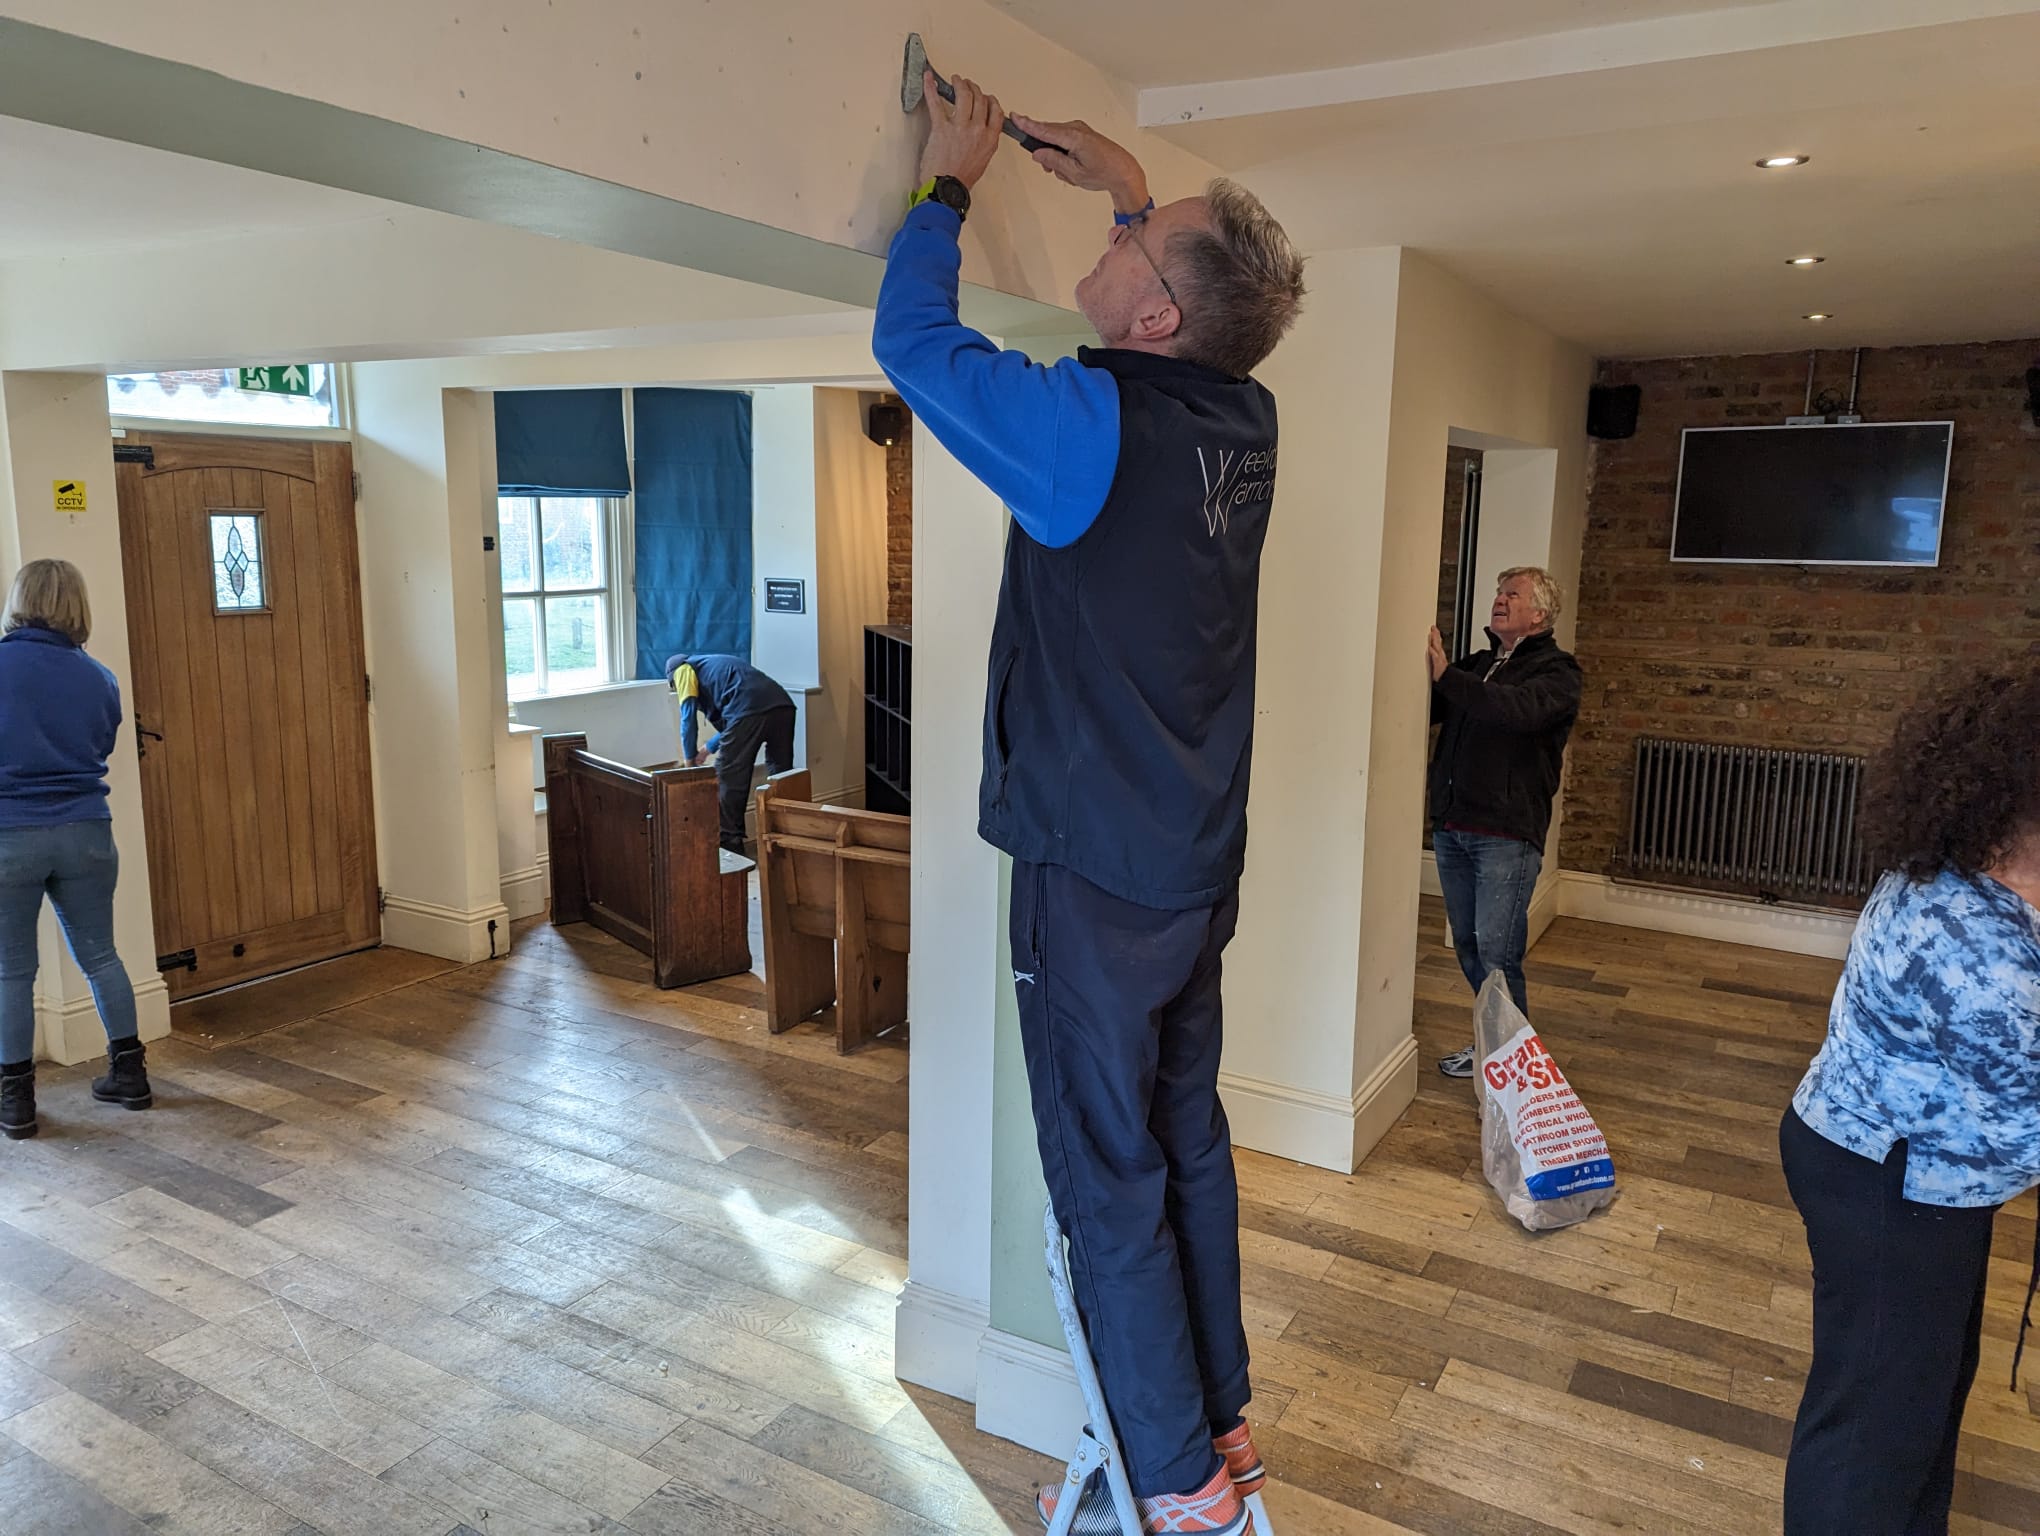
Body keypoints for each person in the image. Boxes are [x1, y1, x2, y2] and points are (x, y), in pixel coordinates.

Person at [874, 70, 1304, 1536]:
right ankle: (1216, 1427)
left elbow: (912, 340)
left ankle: (1178, 1489)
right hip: (1189, 866)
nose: (1119, 244)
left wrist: (947, 184)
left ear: (1153, 318)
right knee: (1182, 1142)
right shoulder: (1240, 418)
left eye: (1138, 239)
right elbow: (1174, 307)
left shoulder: (1087, 435)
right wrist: (1127, 181)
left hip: (1097, 878)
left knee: (1101, 1179)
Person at [1781, 665, 2040, 1535]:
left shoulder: (1968, 870)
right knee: (1871, 1426)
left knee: (1919, 1389)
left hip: (1903, 1168)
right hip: (1885, 1180)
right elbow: (2021, 1129)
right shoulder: (1976, 958)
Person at [0, 560, 153, 1140]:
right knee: (101, 955)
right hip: (86, 830)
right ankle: (130, 1074)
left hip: (7, 834)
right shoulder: (99, 677)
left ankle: (16, 1103)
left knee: (11, 972)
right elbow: (104, 742)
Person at [1425, 567, 1582, 1078]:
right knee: (1470, 947)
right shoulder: (1480, 664)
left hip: (1506, 836)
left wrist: (1449, 675)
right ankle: (1497, 1048)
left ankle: (1516, 1073)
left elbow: (1515, 712)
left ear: (1538, 613)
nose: (1499, 600)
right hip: (1453, 828)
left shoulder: (1558, 673)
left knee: (1498, 954)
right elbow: (1432, 707)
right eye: (1498, 593)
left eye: (1512, 594)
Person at [661, 652, 796, 855]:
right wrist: (707, 750)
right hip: (782, 705)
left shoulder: (681, 669)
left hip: (749, 709)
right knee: (780, 776)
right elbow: (733, 725)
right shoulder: (715, 666)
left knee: (727, 777)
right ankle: (787, 840)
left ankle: (729, 847)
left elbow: (688, 718)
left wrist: (689, 761)